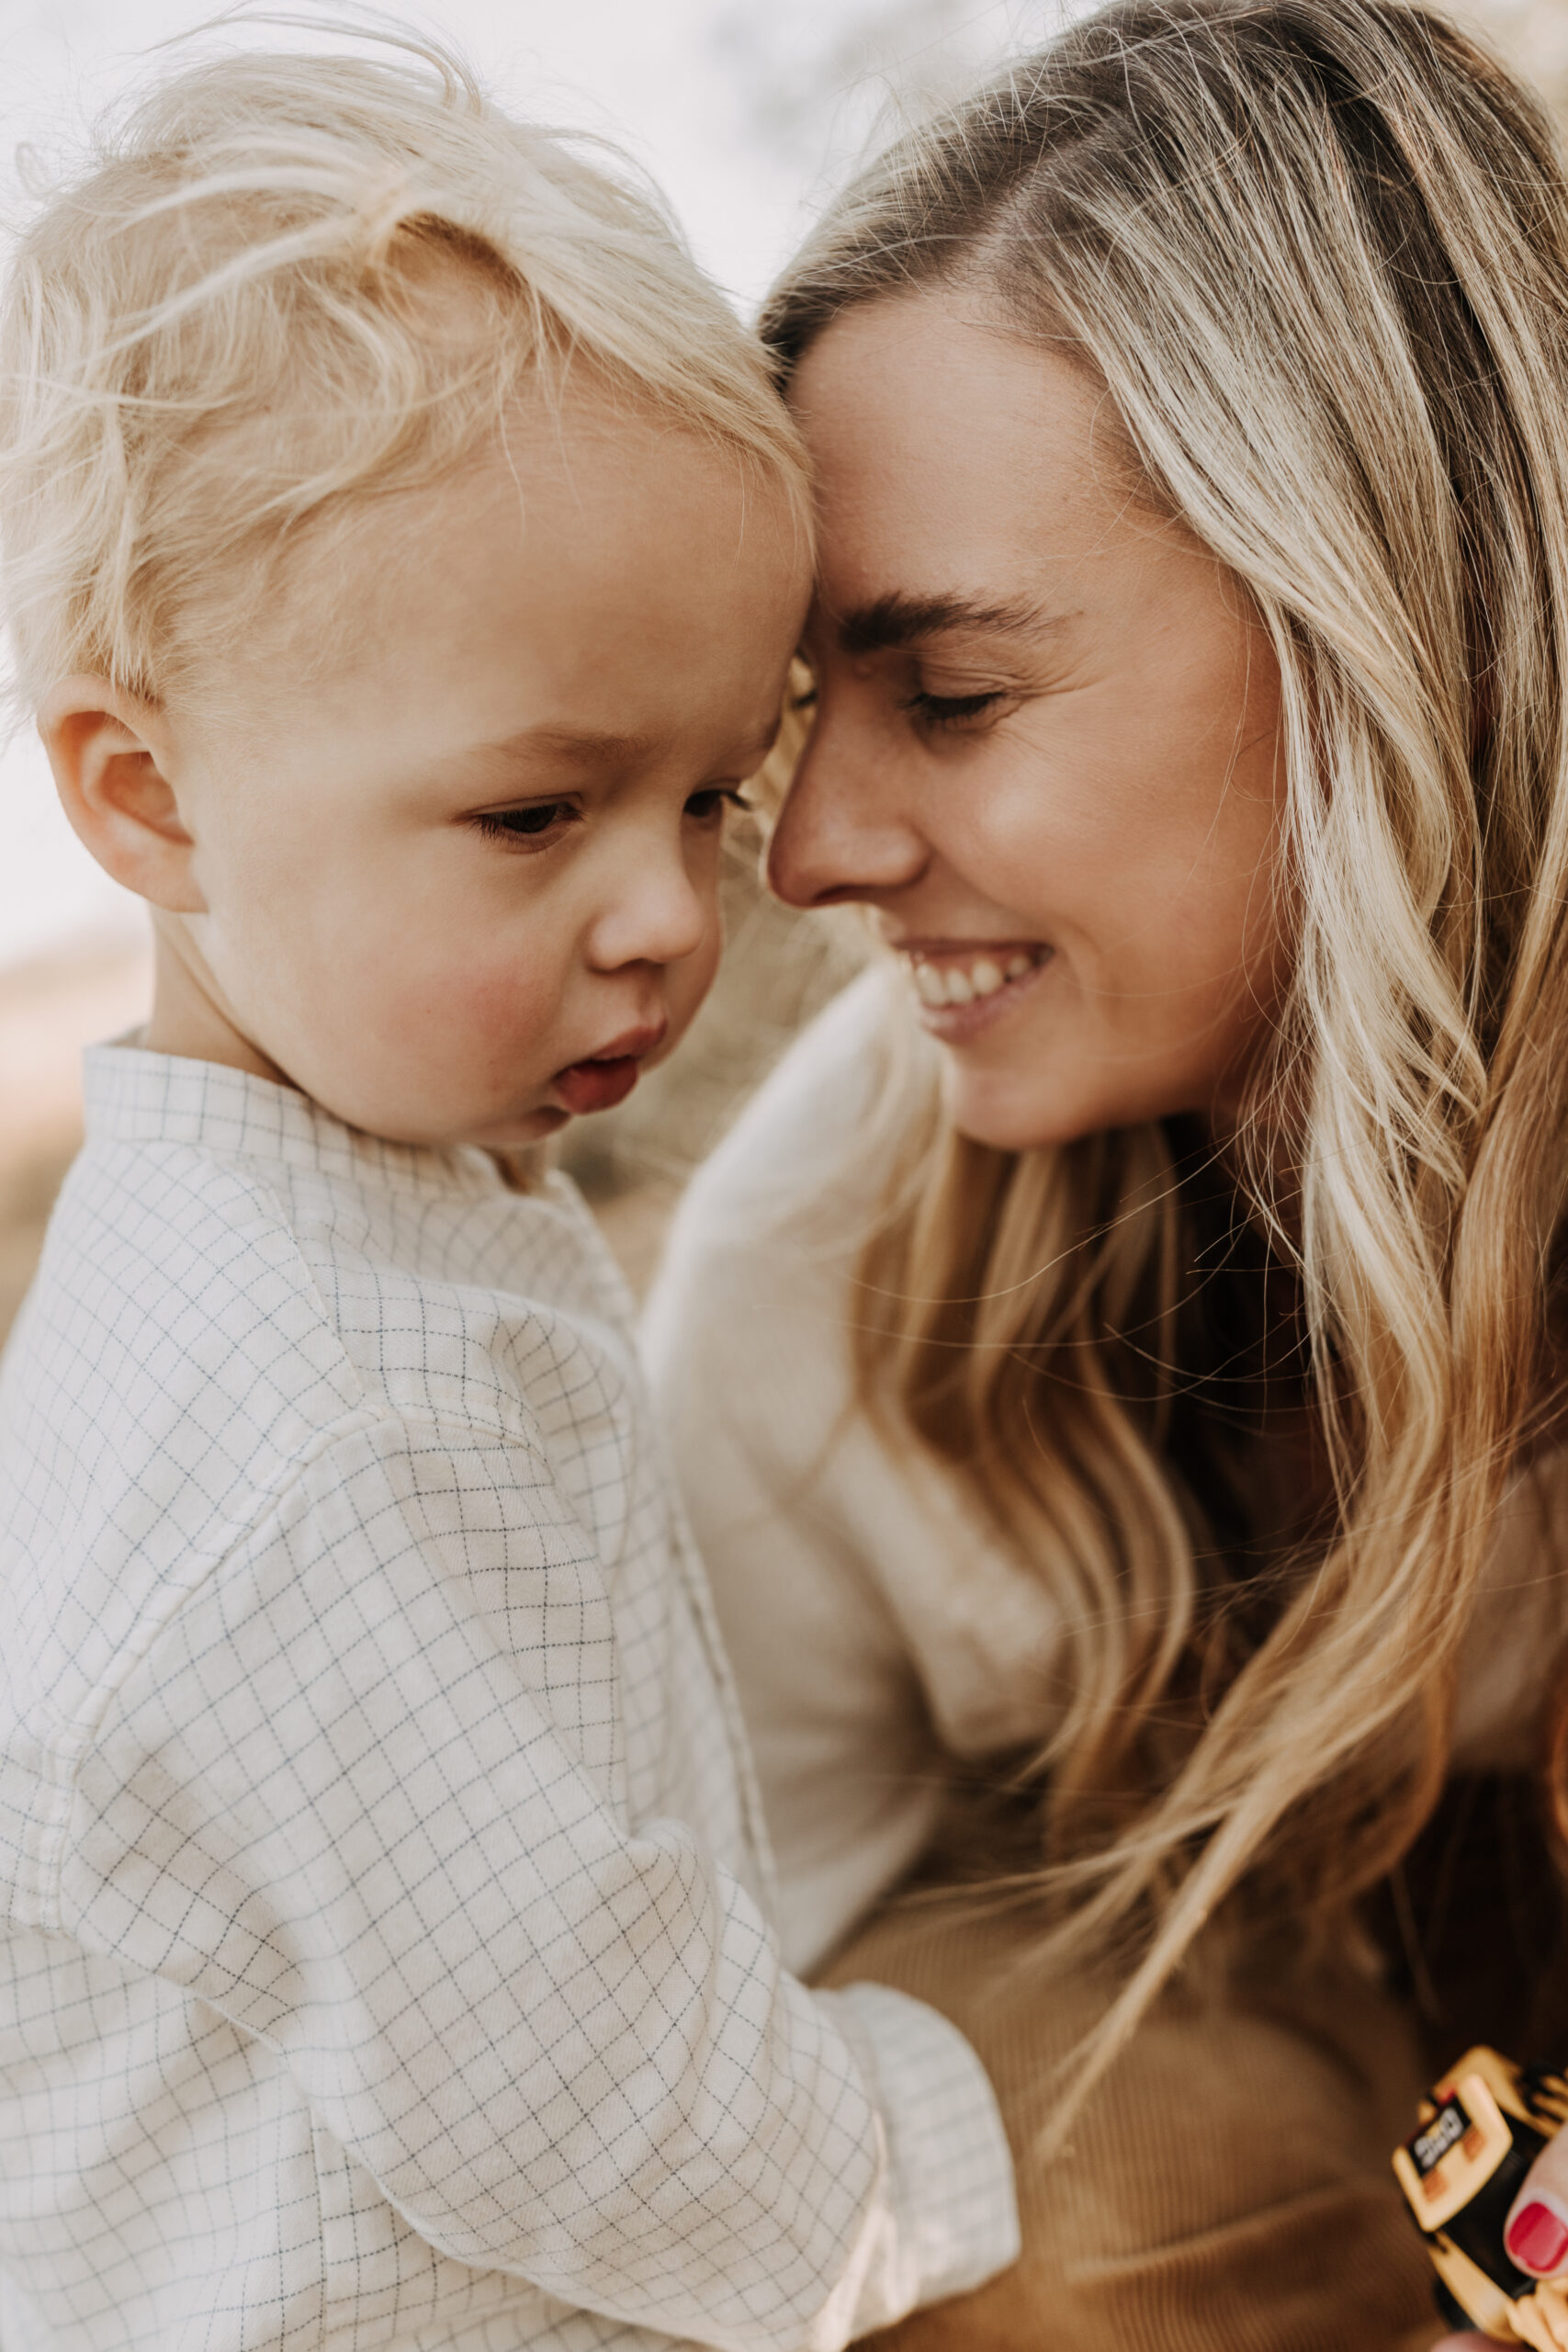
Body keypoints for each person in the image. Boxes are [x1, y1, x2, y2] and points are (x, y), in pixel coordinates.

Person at [0, 38, 1021, 2352]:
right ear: (152, 799)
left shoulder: (362, 1232)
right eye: (534, 813)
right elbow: (596, 2102)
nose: (676, 912)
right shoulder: (306, 1433)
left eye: (702, 788)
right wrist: (972, 2128)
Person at [641, 1, 1568, 2344]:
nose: (817, 851)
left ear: (1374, 609)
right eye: (797, 719)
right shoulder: (813, 1279)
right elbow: (730, 2156)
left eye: (944, 691)